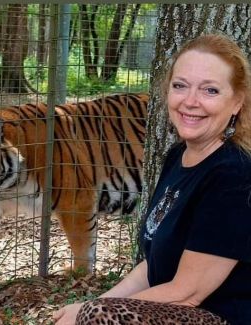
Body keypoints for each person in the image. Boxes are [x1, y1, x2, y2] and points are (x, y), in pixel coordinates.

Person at [53, 33, 251, 325]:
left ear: (236, 102)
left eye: (210, 91)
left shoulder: (234, 174)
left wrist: (90, 313)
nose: (190, 101)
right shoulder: (177, 156)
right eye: (180, 86)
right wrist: (95, 302)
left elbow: (187, 293)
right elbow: (153, 267)